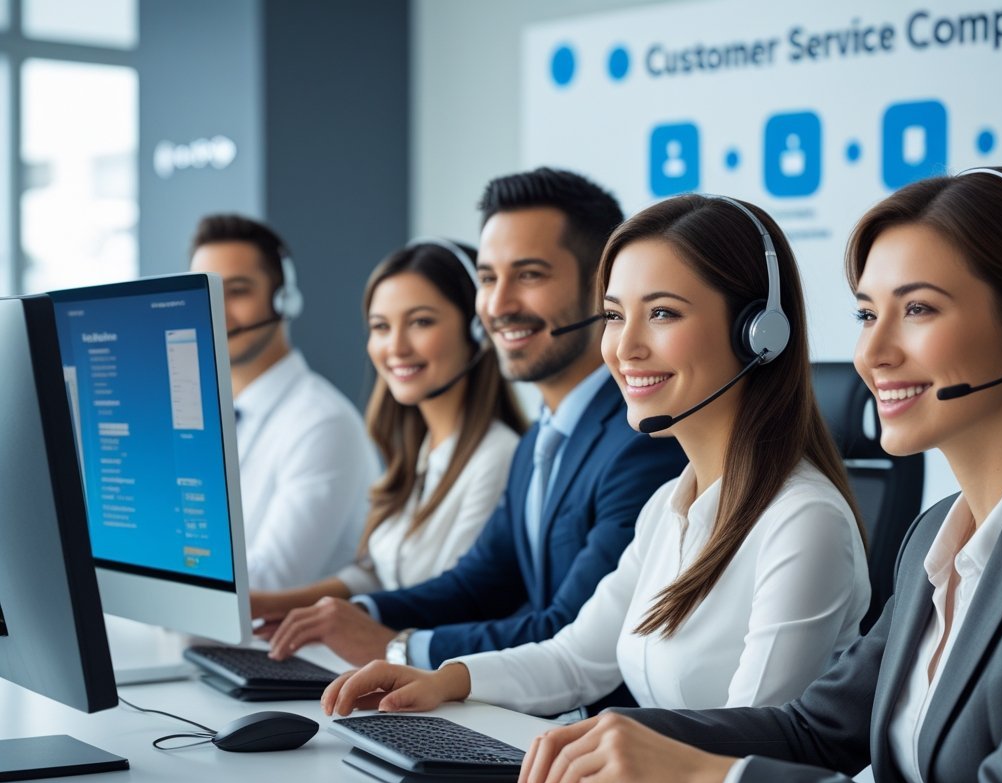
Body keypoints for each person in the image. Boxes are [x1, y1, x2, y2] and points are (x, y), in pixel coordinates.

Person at [507, 167, 1002, 783]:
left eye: (919, 308)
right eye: (868, 313)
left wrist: (705, 781)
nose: (874, 352)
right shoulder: (937, 538)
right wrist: (616, 738)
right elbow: (816, 730)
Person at [320, 195, 871, 717]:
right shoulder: (667, 508)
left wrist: (610, 743)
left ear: (758, 334)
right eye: (612, 315)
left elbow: (758, 736)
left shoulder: (802, 521)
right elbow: (576, 658)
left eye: (662, 314)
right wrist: (446, 680)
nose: (624, 347)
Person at [265, 168, 687, 680]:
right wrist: (359, 615)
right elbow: (476, 583)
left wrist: (399, 647)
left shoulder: (644, 442)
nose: (498, 305)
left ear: (605, 288)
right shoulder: (544, 438)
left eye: (529, 275)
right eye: (488, 279)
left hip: (587, 731)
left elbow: (572, 630)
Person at [250, 240, 527, 627]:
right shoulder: (422, 450)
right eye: (381, 327)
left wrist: (346, 620)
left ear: (477, 331)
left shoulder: (499, 458)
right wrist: (266, 604)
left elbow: (457, 600)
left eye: (420, 322)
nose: (395, 347)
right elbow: (377, 573)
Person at [189, 214, 379, 591]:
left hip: (275, 646)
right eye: (204, 293)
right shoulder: (208, 416)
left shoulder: (322, 423)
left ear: (283, 299)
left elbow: (269, 582)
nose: (215, 309)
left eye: (237, 290)